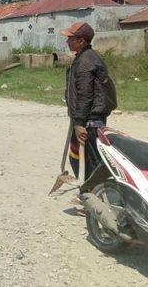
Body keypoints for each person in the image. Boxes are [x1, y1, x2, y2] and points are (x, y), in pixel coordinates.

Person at [61, 22, 117, 180]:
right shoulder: (83, 57)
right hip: (85, 117)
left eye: (71, 39)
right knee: (79, 156)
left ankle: (92, 194)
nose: (67, 42)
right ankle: (88, 190)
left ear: (81, 41)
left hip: (89, 120)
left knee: (89, 159)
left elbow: (85, 95)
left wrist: (79, 123)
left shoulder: (86, 62)